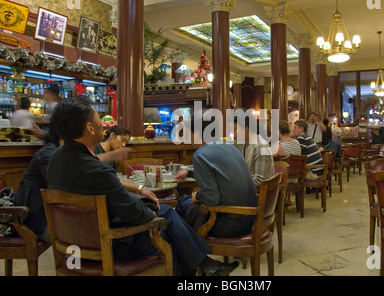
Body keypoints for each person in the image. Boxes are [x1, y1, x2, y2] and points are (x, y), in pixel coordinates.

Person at [47, 96, 238, 276]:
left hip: (74, 244)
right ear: (89, 128)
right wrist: (153, 216)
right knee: (170, 236)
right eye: (99, 119)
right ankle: (203, 266)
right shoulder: (97, 170)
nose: (104, 125)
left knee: (164, 214)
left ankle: (206, 265)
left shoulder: (56, 159)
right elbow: (132, 213)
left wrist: (144, 199)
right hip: (110, 243)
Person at [175, 114, 257, 238]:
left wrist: (197, 195)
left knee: (182, 202)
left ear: (197, 133)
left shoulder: (200, 154)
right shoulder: (232, 148)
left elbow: (211, 199)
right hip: (250, 220)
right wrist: (189, 172)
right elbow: (221, 173)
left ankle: (190, 252)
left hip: (229, 225)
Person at [12, 126, 61, 244]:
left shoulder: (59, 152)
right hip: (34, 220)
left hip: (50, 216)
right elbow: (63, 187)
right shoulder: (48, 155)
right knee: (80, 240)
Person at [233, 115, 275, 188]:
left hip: (259, 195)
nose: (233, 134)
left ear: (246, 127)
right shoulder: (246, 145)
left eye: (235, 129)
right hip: (250, 190)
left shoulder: (260, 146)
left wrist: (237, 185)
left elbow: (260, 181)